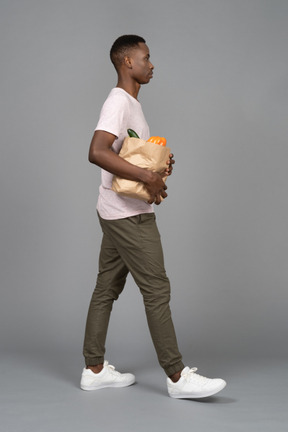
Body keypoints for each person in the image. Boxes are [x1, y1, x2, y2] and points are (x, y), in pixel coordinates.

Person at [81, 35, 227, 398]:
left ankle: (94, 369)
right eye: (146, 57)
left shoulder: (131, 104)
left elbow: (126, 155)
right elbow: (97, 151)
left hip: (115, 209)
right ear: (127, 62)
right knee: (156, 290)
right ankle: (177, 377)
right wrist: (147, 176)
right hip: (128, 217)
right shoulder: (118, 102)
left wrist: (156, 166)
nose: (152, 64)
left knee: (105, 289)